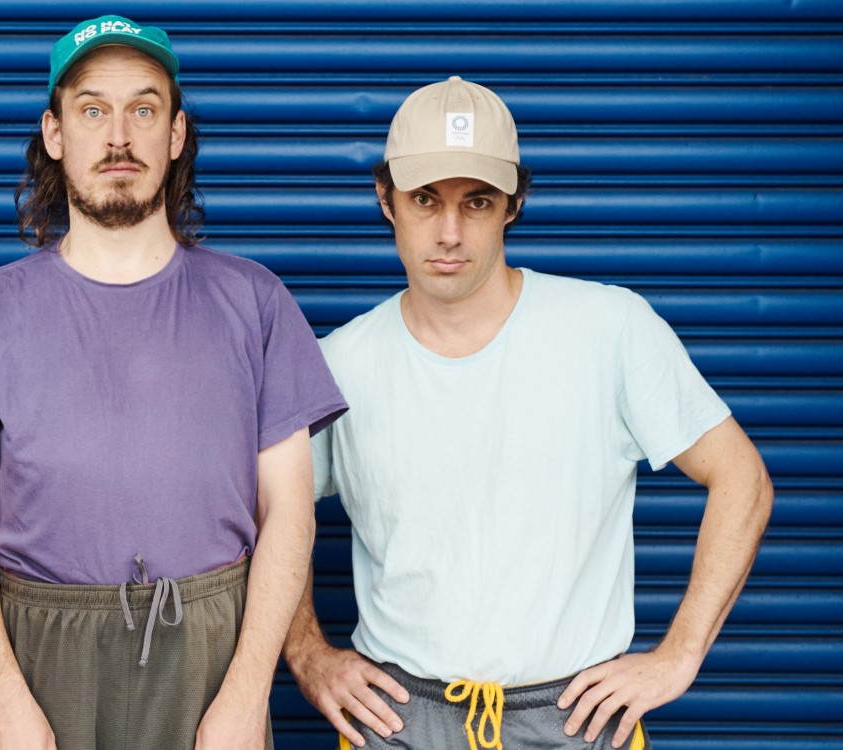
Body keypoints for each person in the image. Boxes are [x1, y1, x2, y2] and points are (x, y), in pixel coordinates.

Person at [0, 15, 348, 750]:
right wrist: (3, 693)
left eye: (143, 108)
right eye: (92, 109)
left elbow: (290, 513)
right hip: (41, 651)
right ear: (55, 132)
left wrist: (246, 693)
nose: (118, 136)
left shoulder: (255, 302)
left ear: (174, 134)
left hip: (210, 648)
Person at [282, 76, 774, 750]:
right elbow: (273, 513)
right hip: (399, 721)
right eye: (426, 199)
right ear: (384, 198)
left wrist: (680, 653)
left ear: (513, 204)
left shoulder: (609, 329)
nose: (449, 232)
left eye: (476, 202)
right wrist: (308, 653)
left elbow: (741, 477)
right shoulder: (340, 365)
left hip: (574, 718)